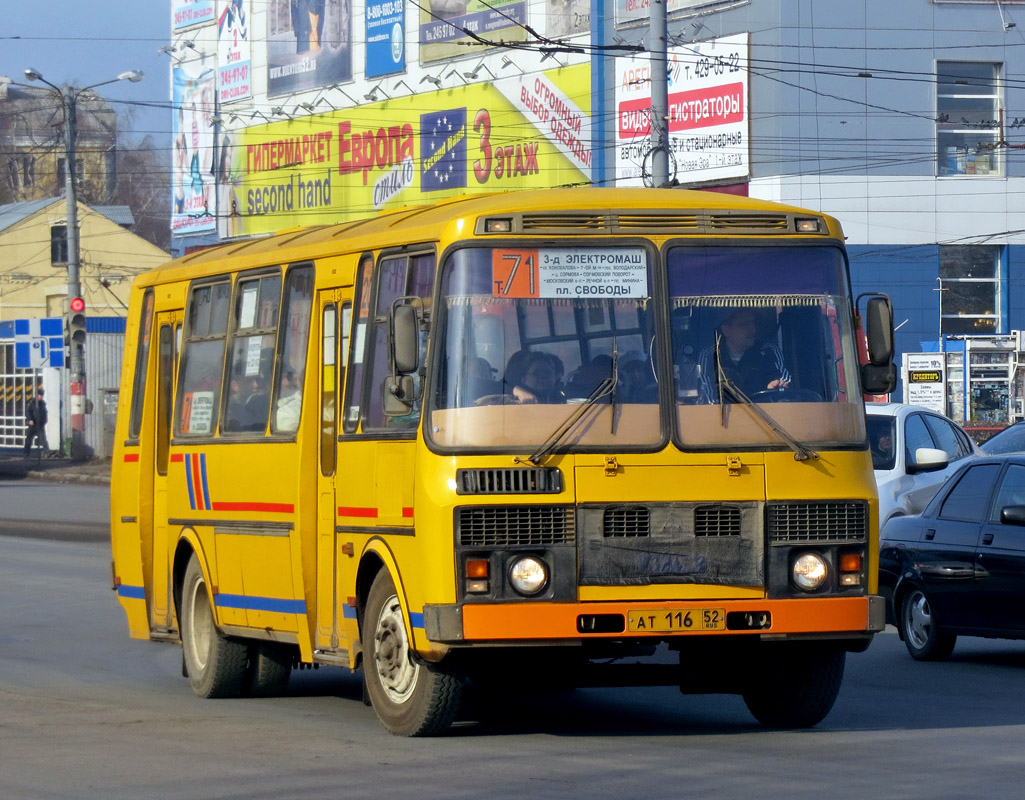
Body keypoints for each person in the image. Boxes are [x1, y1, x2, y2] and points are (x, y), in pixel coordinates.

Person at [698, 308, 791, 403]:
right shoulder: (709, 356)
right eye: (745, 324)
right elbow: (707, 398)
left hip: (764, 417)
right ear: (726, 330)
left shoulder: (769, 351)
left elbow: (785, 382)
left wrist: (776, 387)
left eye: (753, 323)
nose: (753, 329)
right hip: (723, 417)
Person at [24, 388, 48, 457]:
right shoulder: (32, 403)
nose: (40, 397)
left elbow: (44, 413)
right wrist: (30, 420)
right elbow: (28, 412)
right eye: (39, 395)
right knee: (29, 439)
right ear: (37, 395)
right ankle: (26, 452)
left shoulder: (43, 404)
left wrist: (44, 421)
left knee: (43, 438)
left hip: (40, 424)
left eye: (41, 395)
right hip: (33, 424)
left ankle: (46, 452)